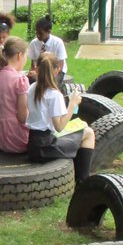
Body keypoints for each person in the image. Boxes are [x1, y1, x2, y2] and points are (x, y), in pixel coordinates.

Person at [26, 52, 94, 183]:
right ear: (57, 70)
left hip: (33, 144)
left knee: (83, 126)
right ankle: (82, 181)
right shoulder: (54, 94)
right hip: (46, 147)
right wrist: (73, 104)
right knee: (89, 133)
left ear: (36, 67)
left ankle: (77, 175)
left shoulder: (32, 88)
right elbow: (59, 126)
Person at [0, 35, 30, 154]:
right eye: (26, 56)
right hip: (17, 139)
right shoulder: (20, 80)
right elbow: (23, 117)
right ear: (20, 55)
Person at [27, 16, 68, 84]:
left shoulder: (58, 43)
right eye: (36, 33)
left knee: (51, 83)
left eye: (40, 33)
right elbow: (33, 64)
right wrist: (34, 72)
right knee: (30, 80)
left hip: (56, 72)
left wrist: (48, 75)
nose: (38, 35)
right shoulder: (34, 43)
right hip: (40, 71)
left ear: (49, 31)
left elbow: (60, 65)